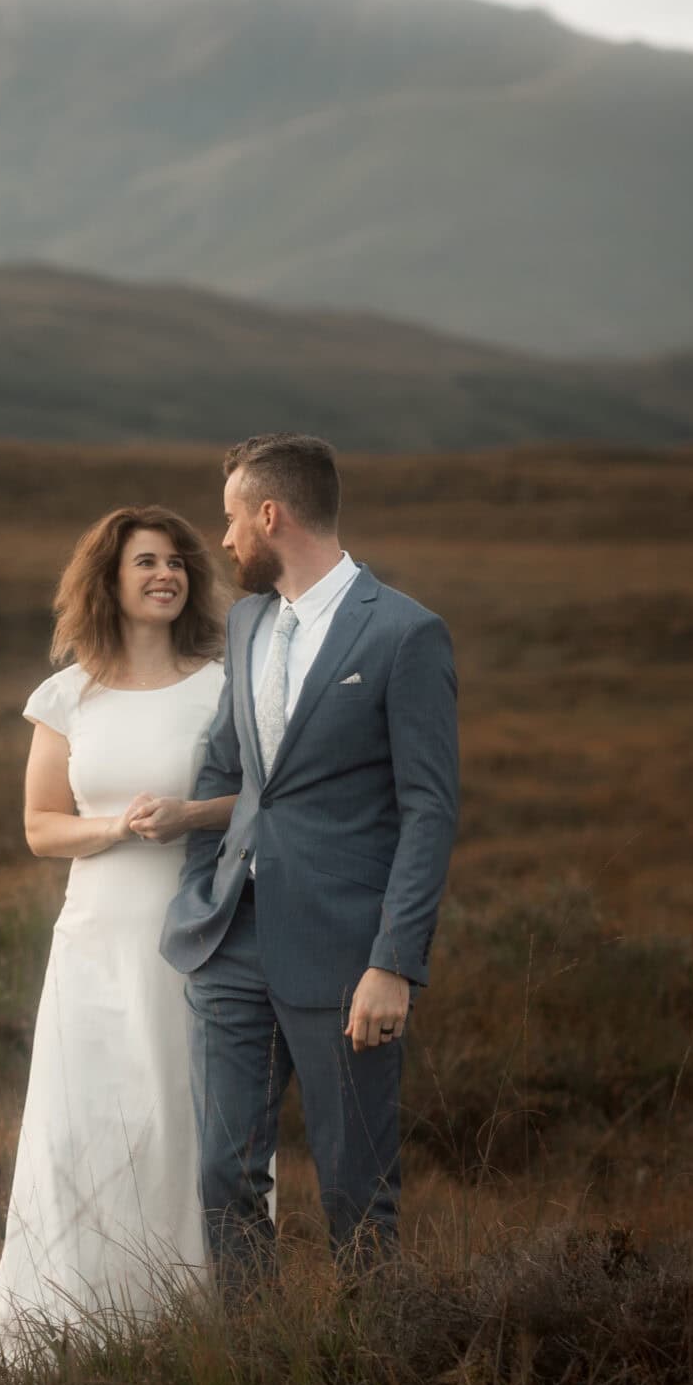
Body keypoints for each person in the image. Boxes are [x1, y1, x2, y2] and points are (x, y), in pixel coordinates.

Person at [153, 434, 459, 1289]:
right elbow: (225, 767)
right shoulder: (248, 622)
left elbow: (429, 811)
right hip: (231, 940)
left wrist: (393, 963)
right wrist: (201, 884)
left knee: (357, 1190)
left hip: (345, 954)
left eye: (230, 519)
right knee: (223, 1173)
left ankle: (375, 1357)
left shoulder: (405, 633)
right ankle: (254, 1355)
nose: (223, 540)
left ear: (270, 515)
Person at [0, 505, 249, 1362]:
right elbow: (40, 826)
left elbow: (261, 802)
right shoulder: (69, 696)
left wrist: (187, 816)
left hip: (197, 937)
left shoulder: (222, 685)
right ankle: (68, 1333)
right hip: (94, 943)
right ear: (109, 578)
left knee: (180, 1125)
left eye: (176, 561)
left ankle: (189, 1333)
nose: (166, 574)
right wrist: (116, 828)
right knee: (84, 1126)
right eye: (145, 562)